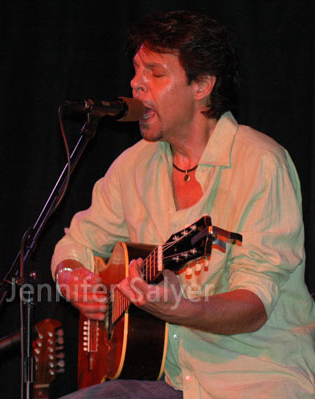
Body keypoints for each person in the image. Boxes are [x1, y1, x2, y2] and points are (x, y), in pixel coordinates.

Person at [52, 10, 315, 399]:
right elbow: (76, 245)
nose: (136, 85)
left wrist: (182, 308)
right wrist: (75, 279)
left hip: (255, 376)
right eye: (137, 71)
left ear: (203, 85)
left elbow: (254, 304)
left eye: (155, 73)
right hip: (167, 379)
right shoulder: (133, 166)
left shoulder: (261, 163)